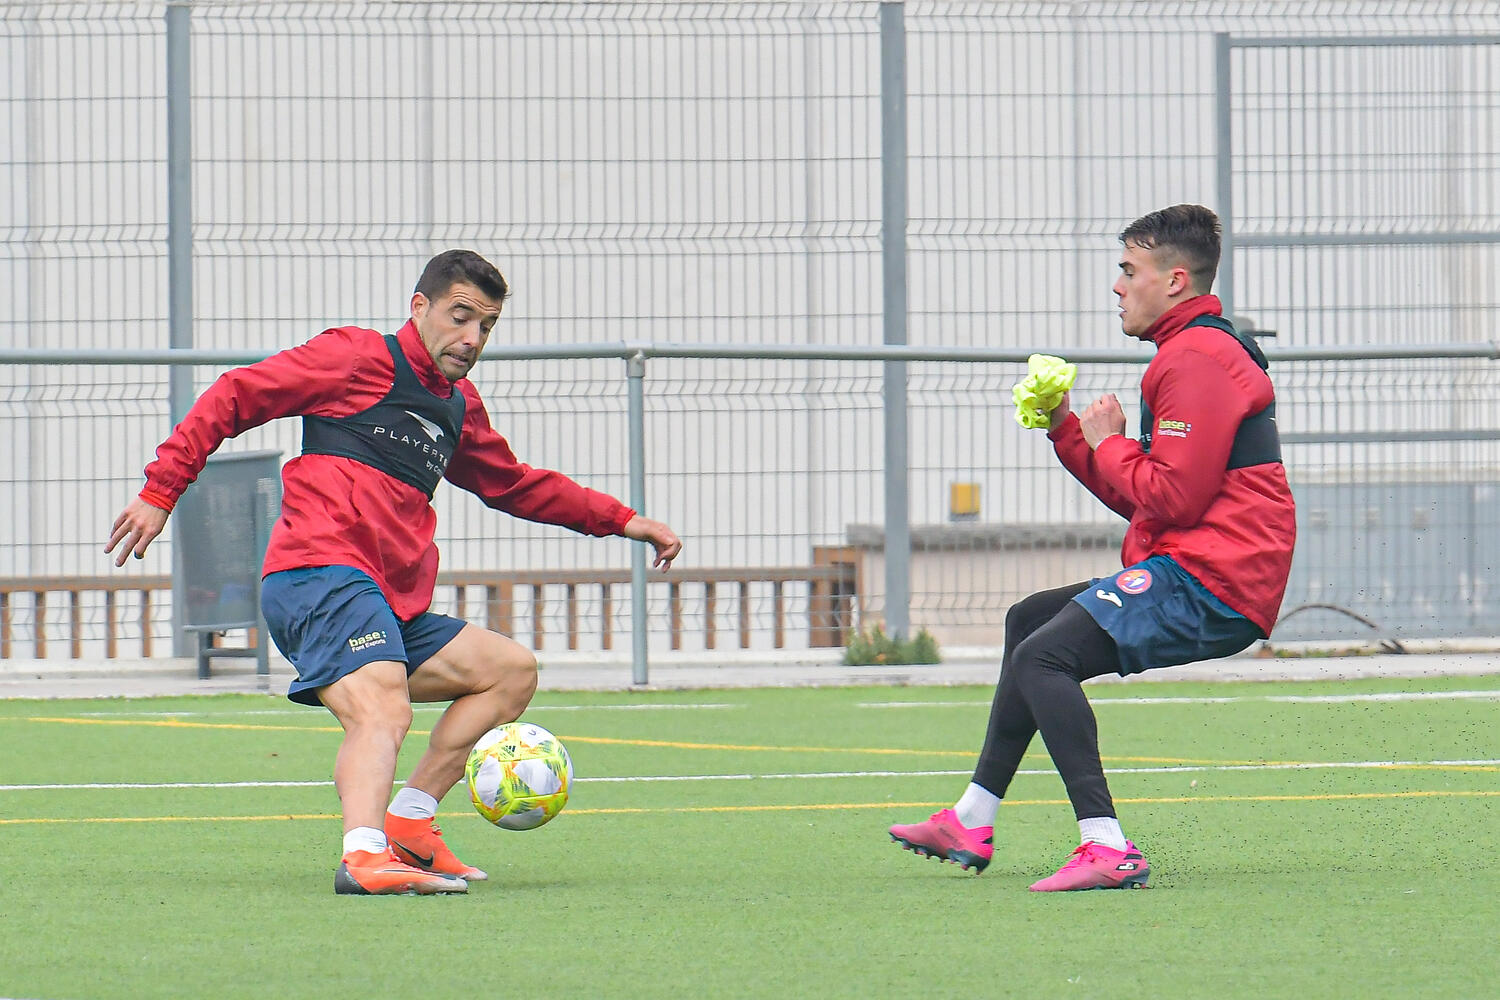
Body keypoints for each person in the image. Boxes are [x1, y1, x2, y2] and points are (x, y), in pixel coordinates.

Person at [106, 250, 682, 896]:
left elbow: (514, 485)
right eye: (460, 316)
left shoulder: (458, 407)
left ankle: (410, 822)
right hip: (317, 574)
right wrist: (162, 490)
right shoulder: (354, 358)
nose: (472, 338)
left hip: (386, 602)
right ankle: (362, 856)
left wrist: (623, 520)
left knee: (510, 672)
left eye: (486, 325)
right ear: (419, 307)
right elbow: (236, 394)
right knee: (383, 705)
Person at [889, 204, 1296, 891]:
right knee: (1030, 623)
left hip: (1217, 580)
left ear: (1174, 280)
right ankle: (971, 817)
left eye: (1129, 270)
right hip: (1199, 566)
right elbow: (1152, 501)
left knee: (1044, 656)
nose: (1117, 285)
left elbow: (1173, 499)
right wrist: (1070, 431)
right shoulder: (1187, 353)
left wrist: (1109, 442)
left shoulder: (1197, 358)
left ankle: (1106, 846)